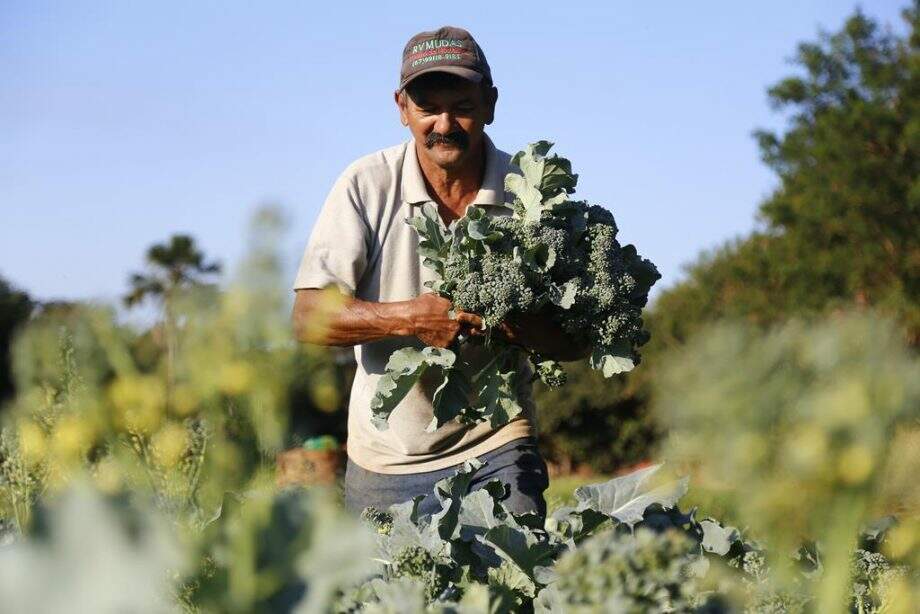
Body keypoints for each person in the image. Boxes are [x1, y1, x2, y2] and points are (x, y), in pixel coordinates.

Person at [291, 25, 589, 518]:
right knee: (386, 597)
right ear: (402, 108)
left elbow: (578, 341)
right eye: (429, 107)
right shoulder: (366, 185)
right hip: (387, 459)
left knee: (509, 590)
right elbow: (307, 318)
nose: (445, 123)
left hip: (497, 445)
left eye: (464, 106)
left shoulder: (530, 195)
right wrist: (412, 318)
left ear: (491, 104)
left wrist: (516, 324)